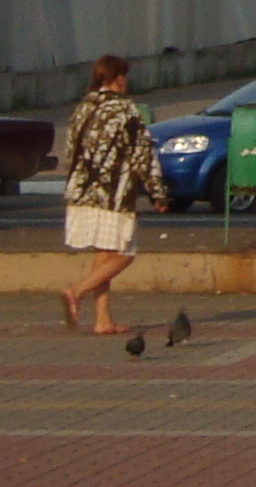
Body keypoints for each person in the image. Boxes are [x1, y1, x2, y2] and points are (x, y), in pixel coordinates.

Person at [61, 54, 167, 333]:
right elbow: (143, 154)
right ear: (118, 78)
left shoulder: (82, 107)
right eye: (125, 75)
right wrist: (158, 193)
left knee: (104, 254)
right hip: (113, 194)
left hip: (81, 192)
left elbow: (70, 149)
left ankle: (102, 320)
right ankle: (77, 291)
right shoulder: (125, 110)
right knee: (124, 252)